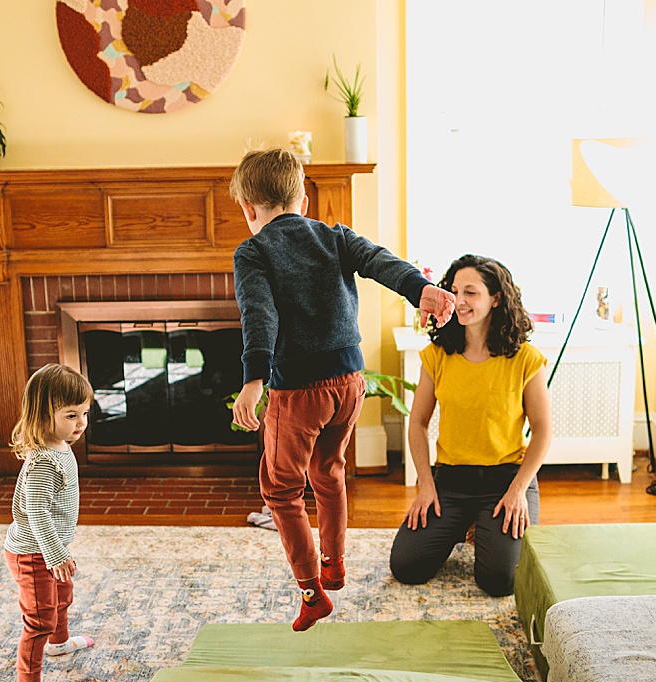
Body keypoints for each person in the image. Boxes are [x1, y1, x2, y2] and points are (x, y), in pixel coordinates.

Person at [229, 147, 455, 631]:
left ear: (249, 209)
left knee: (281, 489)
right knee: (328, 470)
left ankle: (311, 591)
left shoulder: (252, 251)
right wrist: (421, 290)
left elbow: (259, 316)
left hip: (298, 392)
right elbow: (380, 261)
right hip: (351, 381)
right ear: (303, 200)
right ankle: (334, 562)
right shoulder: (335, 236)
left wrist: (253, 381)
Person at [389, 254, 552, 597]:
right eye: (454, 291)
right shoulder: (437, 355)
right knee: (407, 566)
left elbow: (542, 430)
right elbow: (417, 423)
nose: (459, 301)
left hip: (506, 479)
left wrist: (519, 490)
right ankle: (466, 521)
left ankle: (483, 524)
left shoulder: (525, 357)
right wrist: (425, 485)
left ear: (496, 298)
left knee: (500, 581)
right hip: (451, 479)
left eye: (471, 292)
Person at [4, 363, 96, 682]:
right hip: (34, 552)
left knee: (63, 596)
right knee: (39, 619)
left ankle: (59, 644)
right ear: (44, 415)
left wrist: (59, 550)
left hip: (52, 547)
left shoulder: (58, 445)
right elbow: (37, 511)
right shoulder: (44, 462)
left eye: (84, 413)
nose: (80, 423)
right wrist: (55, 553)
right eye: (71, 415)